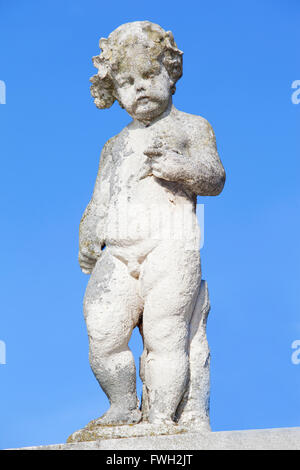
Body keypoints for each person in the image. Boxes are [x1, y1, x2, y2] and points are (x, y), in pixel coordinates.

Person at [79, 21, 225, 425]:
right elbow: (101, 197)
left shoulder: (192, 126)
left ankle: (161, 418)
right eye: (126, 81)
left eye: (148, 75)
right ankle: (123, 404)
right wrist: (88, 229)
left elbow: (215, 177)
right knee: (103, 334)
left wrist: (179, 167)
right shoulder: (114, 145)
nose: (139, 87)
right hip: (121, 252)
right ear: (115, 92)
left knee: (165, 335)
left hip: (171, 245)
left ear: (169, 72)